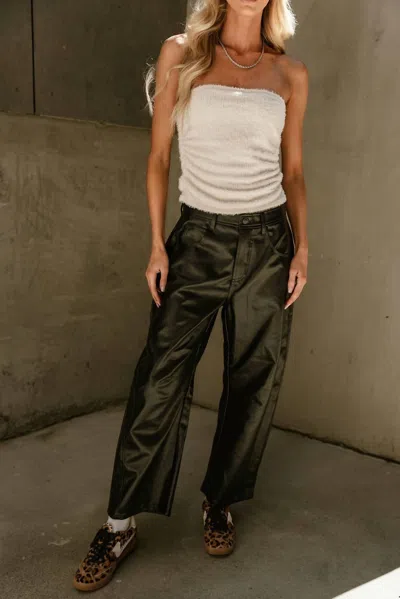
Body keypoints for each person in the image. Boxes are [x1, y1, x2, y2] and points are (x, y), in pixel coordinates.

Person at [73, 0, 308, 591]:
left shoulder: (290, 74)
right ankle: (119, 523)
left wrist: (302, 248)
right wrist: (158, 244)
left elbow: (294, 171)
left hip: (269, 244)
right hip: (197, 239)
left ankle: (219, 502)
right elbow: (159, 157)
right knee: (159, 378)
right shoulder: (182, 54)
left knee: (253, 379)